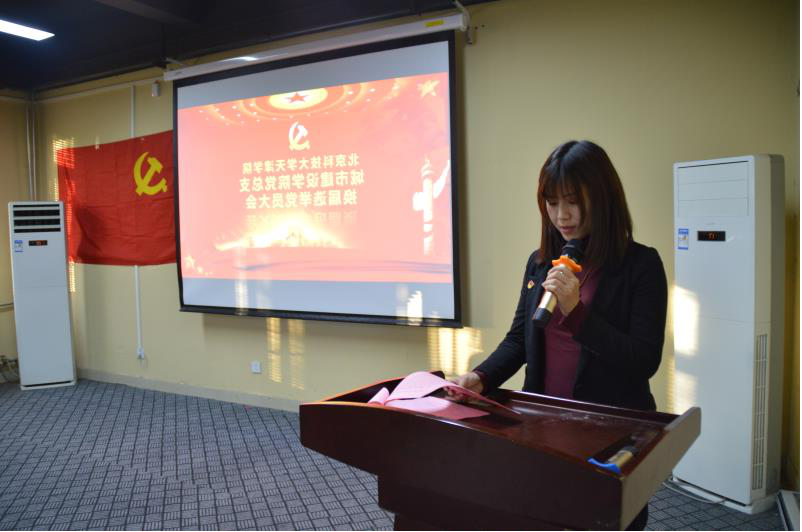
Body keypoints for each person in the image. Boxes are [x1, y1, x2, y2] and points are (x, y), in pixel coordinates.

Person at [450, 140, 667, 531]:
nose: (561, 215)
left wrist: (576, 312)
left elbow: (643, 360)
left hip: (609, 433)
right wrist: (480, 377)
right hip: (544, 427)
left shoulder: (641, 264)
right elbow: (519, 340)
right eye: (551, 203)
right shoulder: (540, 263)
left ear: (602, 198)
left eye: (573, 202)